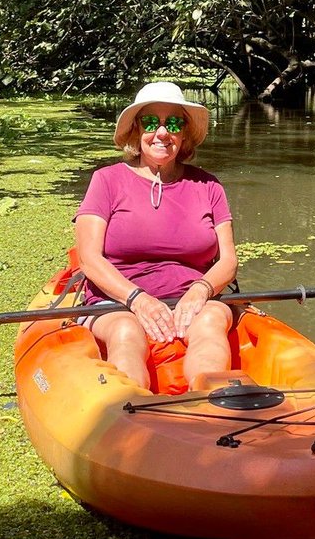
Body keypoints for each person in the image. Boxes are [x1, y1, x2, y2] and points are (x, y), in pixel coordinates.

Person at [73, 80, 237, 389]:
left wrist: (200, 291)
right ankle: (133, 414)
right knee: (125, 332)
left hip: (192, 298)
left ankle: (214, 403)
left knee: (212, 323)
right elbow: (89, 258)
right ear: (136, 130)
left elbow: (228, 261)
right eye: (151, 122)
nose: (162, 132)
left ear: (185, 132)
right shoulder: (106, 181)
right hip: (118, 301)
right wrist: (138, 300)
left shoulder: (209, 186)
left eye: (173, 122)